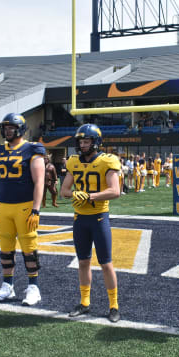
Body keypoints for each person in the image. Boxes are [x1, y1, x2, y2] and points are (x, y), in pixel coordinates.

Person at [60, 124, 121, 322]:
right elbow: (64, 191)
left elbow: (115, 191)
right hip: (80, 219)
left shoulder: (107, 161)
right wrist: (75, 194)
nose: (83, 145)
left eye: (87, 141)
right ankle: (85, 302)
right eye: (81, 141)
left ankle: (114, 305)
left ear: (96, 142)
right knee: (83, 262)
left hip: (99, 218)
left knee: (105, 263)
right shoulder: (73, 161)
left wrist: (89, 196)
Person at [0, 113, 45, 306]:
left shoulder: (32, 149)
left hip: (25, 206)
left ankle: (33, 287)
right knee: (6, 249)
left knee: (29, 248)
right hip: (4, 207)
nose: (7, 130)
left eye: (11, 127)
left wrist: (36, 209)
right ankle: (7, 286)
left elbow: (39, 181)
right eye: (5, 127)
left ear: (20, 129)